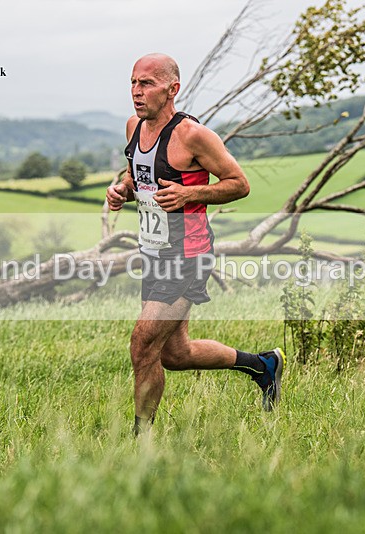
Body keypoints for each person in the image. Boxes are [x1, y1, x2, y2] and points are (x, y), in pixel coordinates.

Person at [106, 53, 284, 435]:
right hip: (153, 251)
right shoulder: (133, 127)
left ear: (173, 89)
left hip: (187, 254)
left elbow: (239, 183)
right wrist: (122, 188)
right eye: (133, 82)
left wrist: (190, 195)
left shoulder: (193, 136)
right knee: (174, 353)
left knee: (142, 344)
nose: (137, 92)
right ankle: (263, 365)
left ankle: (141, 442)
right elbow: (137, 173)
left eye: (147, 83)